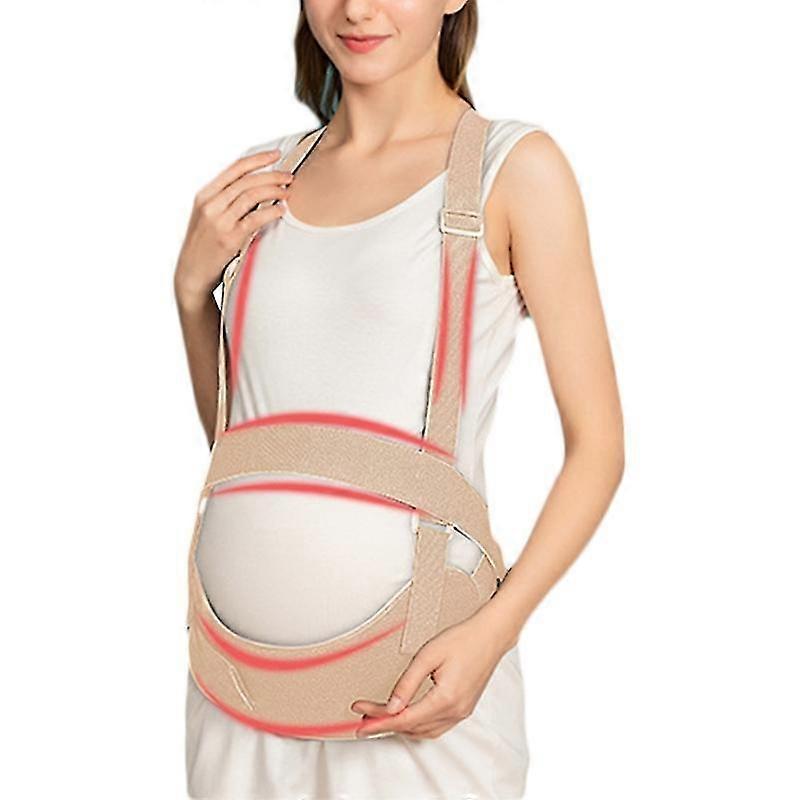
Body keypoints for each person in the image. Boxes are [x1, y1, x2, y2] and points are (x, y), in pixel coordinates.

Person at [173, 1, 624, 797]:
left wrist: (492, 635)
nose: (356, 9)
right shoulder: (260, 178)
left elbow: (599, 449)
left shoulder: (512, 169)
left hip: (419, 700)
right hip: (235, 697)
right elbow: (245, 446)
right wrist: (189, 295)